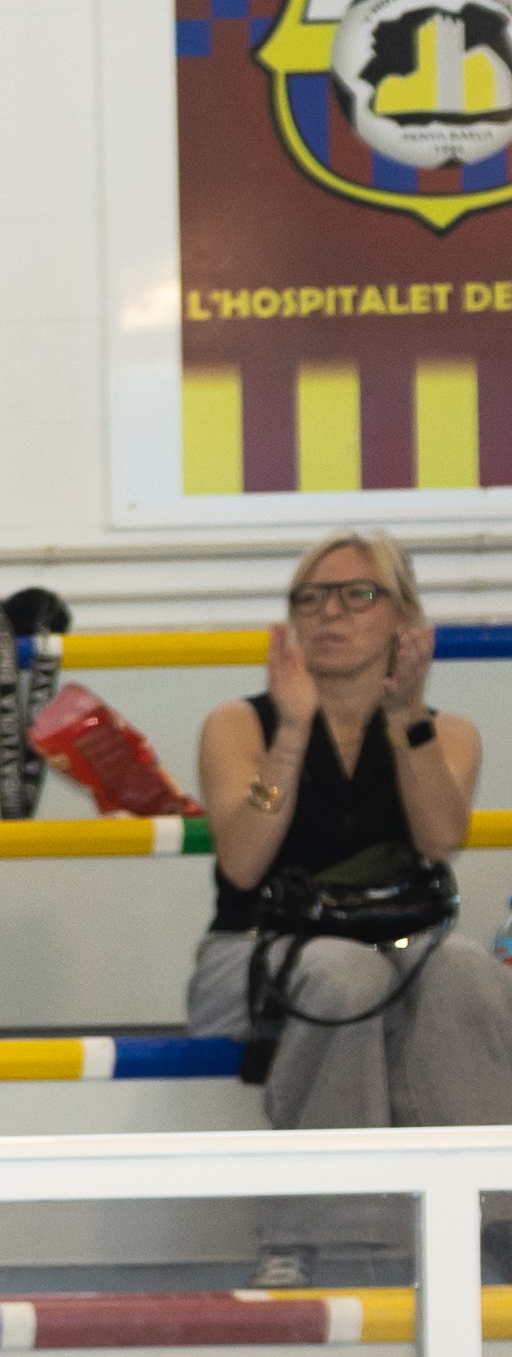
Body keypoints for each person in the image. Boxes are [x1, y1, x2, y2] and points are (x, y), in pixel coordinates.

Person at [196, 531, 508, 1283]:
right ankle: (316, 1236)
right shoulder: (239, 724)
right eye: (311, 598)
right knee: (345, 973)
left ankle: (493, 1220)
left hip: (399, 948)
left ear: (405, 618)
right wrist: (293, 730)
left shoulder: (448, 732)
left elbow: (439, 840)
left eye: (357, 595)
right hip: (253, 953)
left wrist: (406, 718)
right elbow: (243, 862)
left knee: (468, 968)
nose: (330, 613)